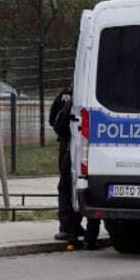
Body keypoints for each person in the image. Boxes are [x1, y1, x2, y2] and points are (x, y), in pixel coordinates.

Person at [49, 84, 84, 244]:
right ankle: (74, 226)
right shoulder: (89, 92)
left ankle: (67, 227)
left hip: (66, 145)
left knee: (65, 186)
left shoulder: (66, 94)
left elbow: (53, 120)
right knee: (77, 184)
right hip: (82, 143)